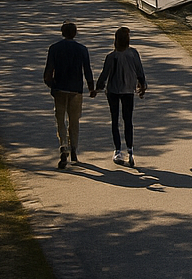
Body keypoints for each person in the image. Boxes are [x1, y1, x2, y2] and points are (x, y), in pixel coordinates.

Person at [43, 21, 94, 169]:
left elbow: (48, 73)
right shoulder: (82, 49)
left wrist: (53, 86)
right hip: (76, 90)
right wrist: (91, 88)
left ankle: (63, 146)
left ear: (62, 32)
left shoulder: (54, 48)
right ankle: (74, 150)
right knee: (74, 121)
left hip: (60, 89)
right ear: (75, 33)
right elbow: (87, 70)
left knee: (60, 120)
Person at [96, 27, 147, 168]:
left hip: (113, 91)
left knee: (115, 120)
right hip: (128, 91)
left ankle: (118, 150)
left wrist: (97, 88)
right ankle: (130, 149)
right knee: (128, 120)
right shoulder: (133, 54)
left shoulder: (111, 57)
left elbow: (104, 75)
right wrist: (142, 85)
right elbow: (140, 71)